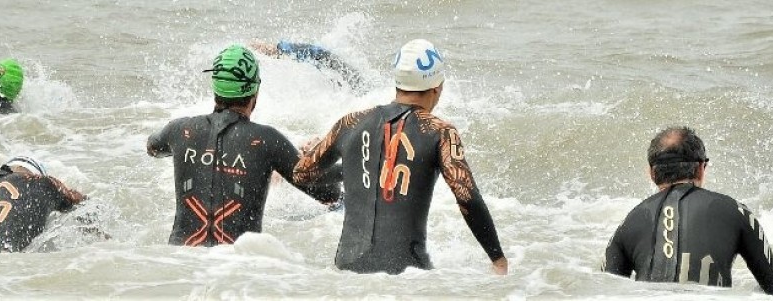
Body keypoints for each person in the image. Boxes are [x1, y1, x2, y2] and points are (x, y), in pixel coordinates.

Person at [293, 39, 508, 275]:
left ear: (397, 84)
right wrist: (498, 259)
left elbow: (302, 174)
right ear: (437, 88)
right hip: (408, 276)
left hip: (346, 271)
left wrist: (355, 168)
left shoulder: (350, 123)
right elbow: (466, 195)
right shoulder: (441, 132)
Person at [147, 45, 342, 247]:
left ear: (215, 86)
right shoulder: (267, 140)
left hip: (180, 264)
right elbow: (329, 194)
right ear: (255, 90)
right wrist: (317, 156)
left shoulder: (179, 130)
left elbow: (152, 147)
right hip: (238, 269)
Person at [603, 127, 773, 296]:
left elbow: (603, 291)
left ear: (652, 173)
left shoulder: (628, 224)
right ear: (701, 168)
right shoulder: (736, 212)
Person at [250, 40, 366, 93]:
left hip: (327, 60)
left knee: (356, 87)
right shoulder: (286, 53)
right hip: (330, 61)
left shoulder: (286, 50)